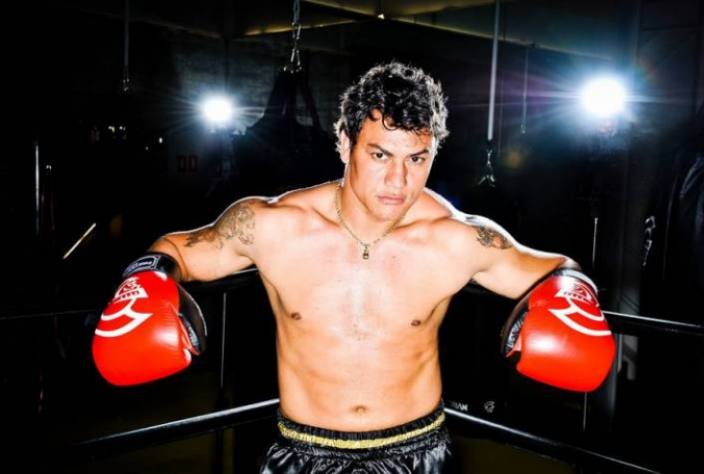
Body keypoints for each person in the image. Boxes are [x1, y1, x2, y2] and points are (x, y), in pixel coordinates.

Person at [91, 61, 616, 473]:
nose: (398, 182)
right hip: (304, 452)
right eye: (380, 155)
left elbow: (553, 268)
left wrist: (570, 291)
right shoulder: (272, 226)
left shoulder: (455, 238)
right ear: (344, 143)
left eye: (417, 158)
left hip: (417, 452)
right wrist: (146, 279)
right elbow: (180, 249)